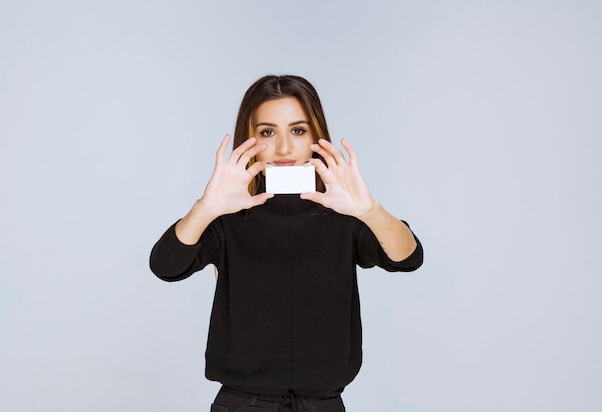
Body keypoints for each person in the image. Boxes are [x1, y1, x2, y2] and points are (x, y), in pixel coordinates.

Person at [149, 75, 423, 412]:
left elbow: (408, 257)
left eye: (297, 130)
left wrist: (369, 210)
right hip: (243, 403)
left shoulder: (342, 212)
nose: (283, 147)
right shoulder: (229, 214)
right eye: (267, 132)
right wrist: (206, 208)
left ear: (315, 135)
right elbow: (165, 266)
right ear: (248, 137)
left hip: (323, 403)